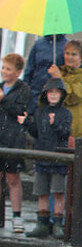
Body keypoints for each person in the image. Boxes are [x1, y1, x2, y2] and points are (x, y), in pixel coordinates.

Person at [21, 78, 72, 239]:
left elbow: (65, 133)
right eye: (51, 92)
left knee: (58, 192)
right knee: (41, 192)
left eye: (57, 92)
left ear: (62, 95)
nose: (53, 95)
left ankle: (57, 223)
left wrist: (54, 124)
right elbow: (35, 132)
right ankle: (41, 223)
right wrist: (26, 123)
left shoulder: (66, 113)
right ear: (46, 95)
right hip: (42, 156)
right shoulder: (39, 111)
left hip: (58, 157)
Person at [0, 53, 31, 233]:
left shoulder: (23, 89)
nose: (4, 71)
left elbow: (19, 110)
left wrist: (4, 100)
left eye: (8, 69)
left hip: (13, 138)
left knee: (13, 178)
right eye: (3, 67)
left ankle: (17, 215)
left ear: (18, 72)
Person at [47, 39, 82, 145]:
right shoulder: (61, 72)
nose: (69, 57)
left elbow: (73, 96)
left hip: (74, 127)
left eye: (74, 54)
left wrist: (59, 79)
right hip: (56, 124)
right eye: (67, 53)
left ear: (81, 57)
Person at [23, 34, 67, 113]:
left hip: (53, 94)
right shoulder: (38, 44)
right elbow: (29, 70)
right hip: (35, 93)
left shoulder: (66, 46)